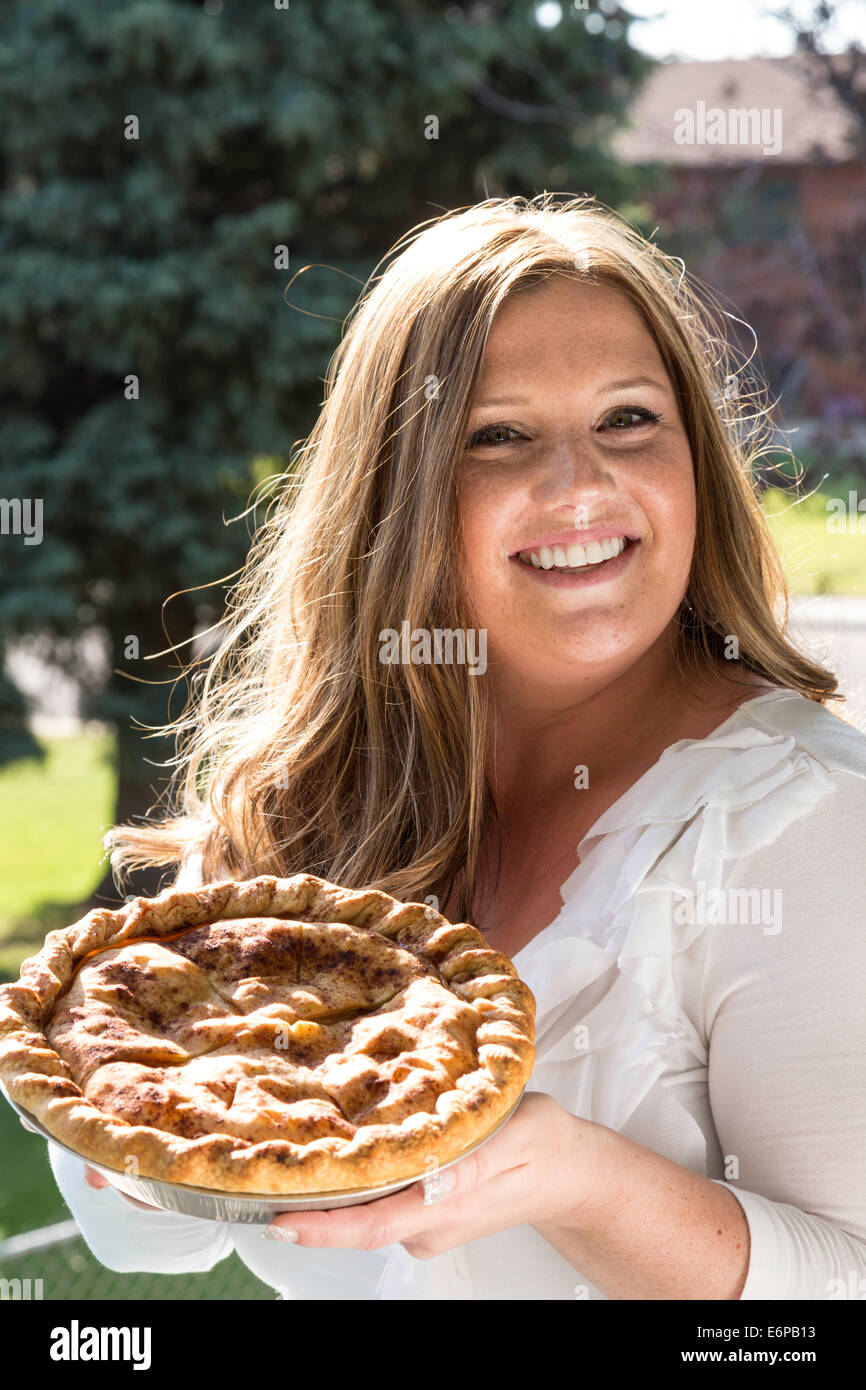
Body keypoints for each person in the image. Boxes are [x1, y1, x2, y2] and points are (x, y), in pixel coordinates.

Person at [48, 194, 866, 1299]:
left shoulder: (802, 824)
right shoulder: (314, 800)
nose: (578, 483)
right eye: (497, 435)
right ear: (394, 497)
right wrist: (170, 1106)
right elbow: (151, 1239)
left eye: (628, 418)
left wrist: (578, 1182)